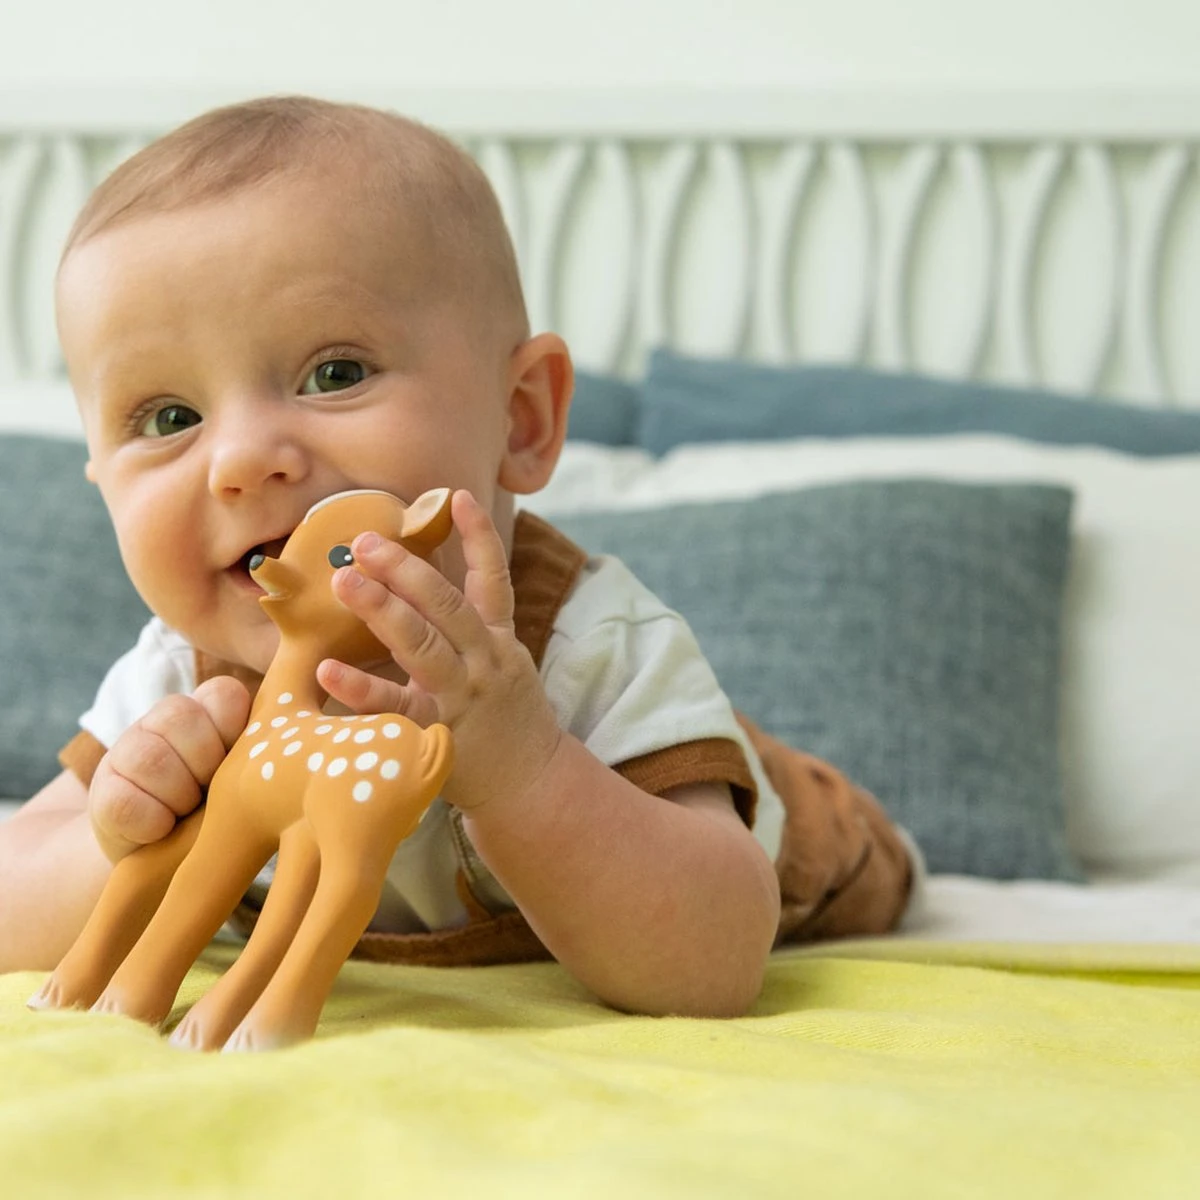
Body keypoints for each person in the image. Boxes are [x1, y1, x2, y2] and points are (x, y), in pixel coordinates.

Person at [0, 96, 915, 1017]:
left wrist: (526, 770)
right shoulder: (179, 682)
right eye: (169, 419)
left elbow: (713, 968)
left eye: (335, 373)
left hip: (776, 838)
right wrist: (115, 839)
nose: (239, 460)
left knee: (848, 846)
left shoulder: (591, 647)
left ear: (522, 418)